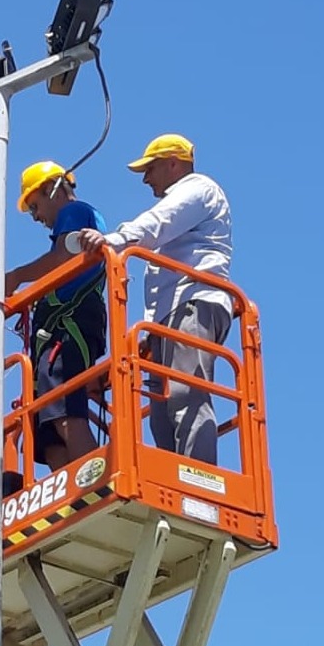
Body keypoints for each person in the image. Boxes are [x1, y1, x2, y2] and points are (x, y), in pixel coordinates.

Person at [77, 134, 233, 465]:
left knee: (185, 394)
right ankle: (176, 477)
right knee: (162, 412)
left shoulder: (198, 189)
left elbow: (157, 224)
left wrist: (112, 240)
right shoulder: (189, 198)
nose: (146, 178)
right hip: (174, 311)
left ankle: (198, 479)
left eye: (150, 168)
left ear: (173, 163)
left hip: (193, 303)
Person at [5, 161, 107, 471]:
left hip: (69, 327)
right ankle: (69, 489)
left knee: (64, 414)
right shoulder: (75, 218)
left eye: (35, 205)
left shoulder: (75, 213)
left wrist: (17, 277)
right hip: (57, 332)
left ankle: (95, 482)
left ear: (54, 188)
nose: (35, 216)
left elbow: (64, 255)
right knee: (46, 433)